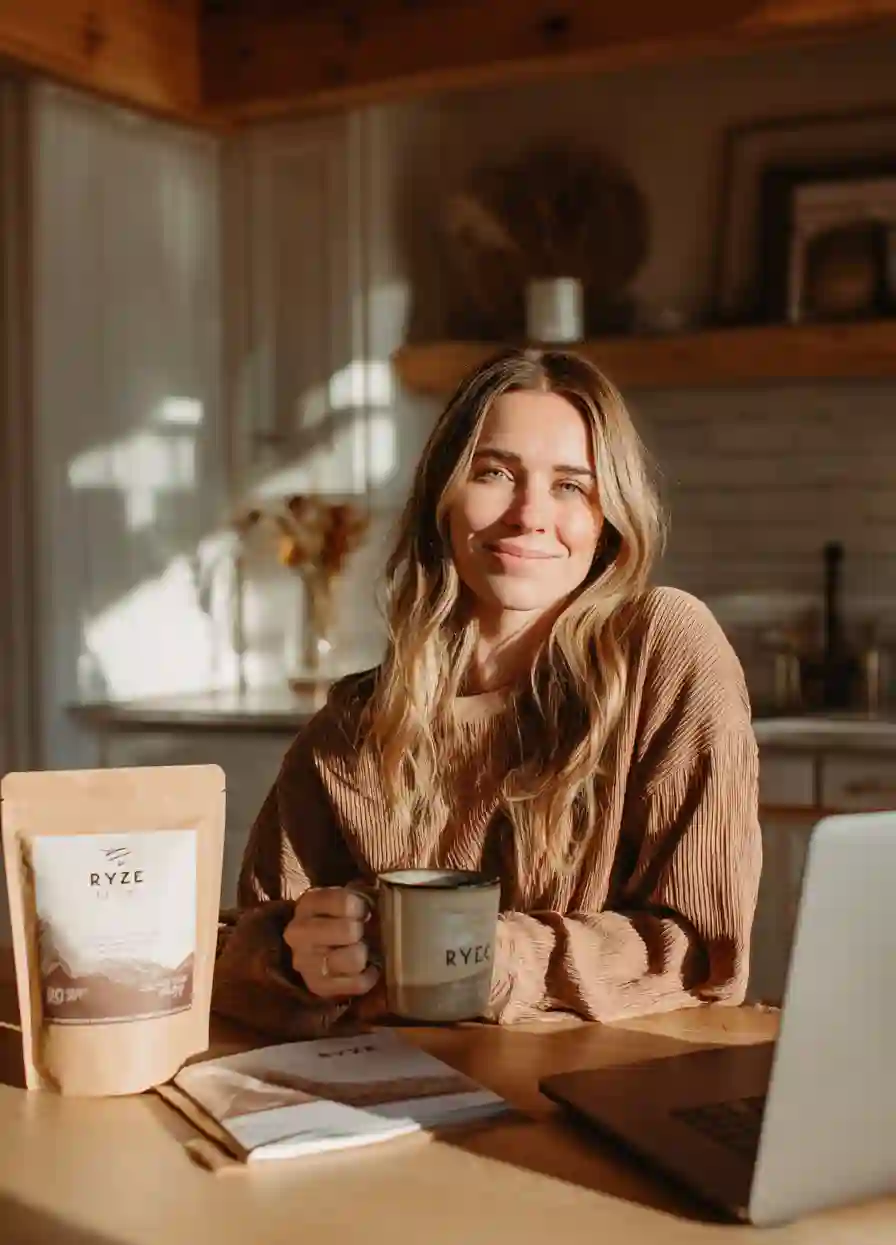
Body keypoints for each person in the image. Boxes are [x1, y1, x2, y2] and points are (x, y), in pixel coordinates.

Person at [213, 349, 761, 1038]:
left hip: (589, 1095)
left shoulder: (662, 646)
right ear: (445, 496)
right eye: (495, 473)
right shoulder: (349, 726)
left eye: (571, 485)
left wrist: (496, 956)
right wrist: (295, 959)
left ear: (608, 520)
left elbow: (702, 956)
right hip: (389, 1097)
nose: (529, 515)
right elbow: (239, 954)